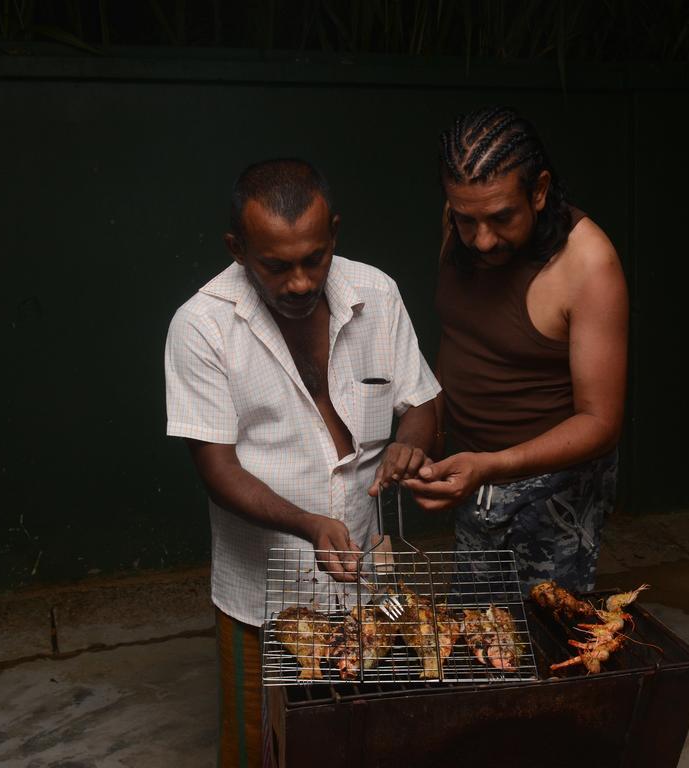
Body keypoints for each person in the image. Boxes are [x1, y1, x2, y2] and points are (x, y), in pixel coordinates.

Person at [164, 158, 439, 767]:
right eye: (276, 265)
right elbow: (218, 470)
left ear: (334, 234)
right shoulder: (202, 327)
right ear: (238, 249)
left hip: (370, 582)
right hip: (261, 594)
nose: (299, 282)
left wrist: (410, 443)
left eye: (314, 259)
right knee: (260, 746)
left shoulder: (376, 293)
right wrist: (309, 525)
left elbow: (421, 401)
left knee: (369, 736)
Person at [404, 107, 628, 596]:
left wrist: (493, 464)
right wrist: (436, 435)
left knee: (545, 633)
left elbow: (601, 422)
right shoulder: (462, 219)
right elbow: (460, 336)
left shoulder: (589, 263)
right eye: (467, 219)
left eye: (502, 217)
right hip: (474, 470)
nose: (483, 240)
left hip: (549, 486)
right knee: (481, 627)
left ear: (540, 191)